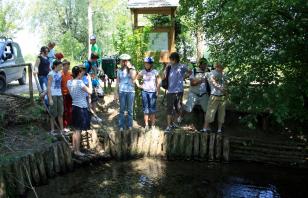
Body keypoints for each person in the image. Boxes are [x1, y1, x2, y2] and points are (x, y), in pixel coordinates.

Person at [162, 52, 191, 132]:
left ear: (176, 59)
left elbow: (190, 72)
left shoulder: (182, 66)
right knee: (169, 108)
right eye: (170, 59)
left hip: (179, 91)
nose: (170, 61)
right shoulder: (169, 67)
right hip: (170, 91)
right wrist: (165, 68)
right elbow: (163, 77)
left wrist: (184, 76)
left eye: (172, 59)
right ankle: (168, 126)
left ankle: (174, 123)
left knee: (177, 107)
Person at [67, 65, 92, 156]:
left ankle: (74, 149)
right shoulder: (80, 83)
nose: (83, 73)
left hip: (74, 107)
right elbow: (90, 92)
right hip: (81, 108)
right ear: (79, 73)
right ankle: (77, 151)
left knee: (75, 129)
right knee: (78, 130)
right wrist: (89, 81)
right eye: (81, 72)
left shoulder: (69, 82)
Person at [179, 58, 210, 126]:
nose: (205, 66)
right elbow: (192, 83)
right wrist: (201, 80)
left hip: (204, 95)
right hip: (194, 94)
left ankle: (205, 127)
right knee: (188, 109)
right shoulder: (194, 71)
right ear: (200, 64)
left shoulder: (208, 71)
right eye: (204, 64)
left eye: (206, 64)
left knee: (207, 110)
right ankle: (180, 118)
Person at [136, 57, 160, 131]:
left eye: (148, 64)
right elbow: (136, 78)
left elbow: (159, 81)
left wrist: (157, 90)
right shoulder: (142, 71)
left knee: (152, 109)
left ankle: (153, 125)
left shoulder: (155, 72)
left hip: (152, 92)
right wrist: (138, 85)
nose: (146, 65)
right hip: (145, 92)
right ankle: (146, 125)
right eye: (145, 63)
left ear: (151, 64)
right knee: (145, 109)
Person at [202, 63, 227, 133]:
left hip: (223, 97)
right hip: (214, 96)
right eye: (220, 66)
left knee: (222, 114)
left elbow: (226, 83)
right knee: (209, 113)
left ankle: (219, 130)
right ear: (217, 66)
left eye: (223, 67)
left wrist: (225, 91)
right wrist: (221, 88)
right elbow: (213, 82)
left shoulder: (224, 74)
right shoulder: (211, 73)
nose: (222, 68)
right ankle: (205, 129)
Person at [114, 54, 136, 132]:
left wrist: (129, 68)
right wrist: (115, 93)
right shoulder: (119, 70)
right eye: (122, 61)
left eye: (125, 61)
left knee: (130, 110)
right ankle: (121, 125)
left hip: (131, 91)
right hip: (122, 91)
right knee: (122, 109)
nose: (123, 62)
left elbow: (134, 79)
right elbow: (117, 82)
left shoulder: (132, 69)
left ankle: (129, 125)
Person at [47, 60, 64, 135]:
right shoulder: (51, 74)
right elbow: (48, 87)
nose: (61, 67)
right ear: (55, 66)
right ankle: (52, 130)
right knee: (53, 114)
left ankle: (62, 130)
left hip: (59, 94)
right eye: (60, 66)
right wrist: (50, 98)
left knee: (60, 113)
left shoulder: (60, 73)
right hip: (53, 95)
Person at [61, 60, 72, 131]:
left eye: (68, 66)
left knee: (70, 110)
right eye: (66, 66)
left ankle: (70, 124)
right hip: (63, 95)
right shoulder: (60, 74)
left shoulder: (70, 74)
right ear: (63, 66)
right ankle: (65, 125)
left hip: (69, 94)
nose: (67, 67)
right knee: (64, 110)